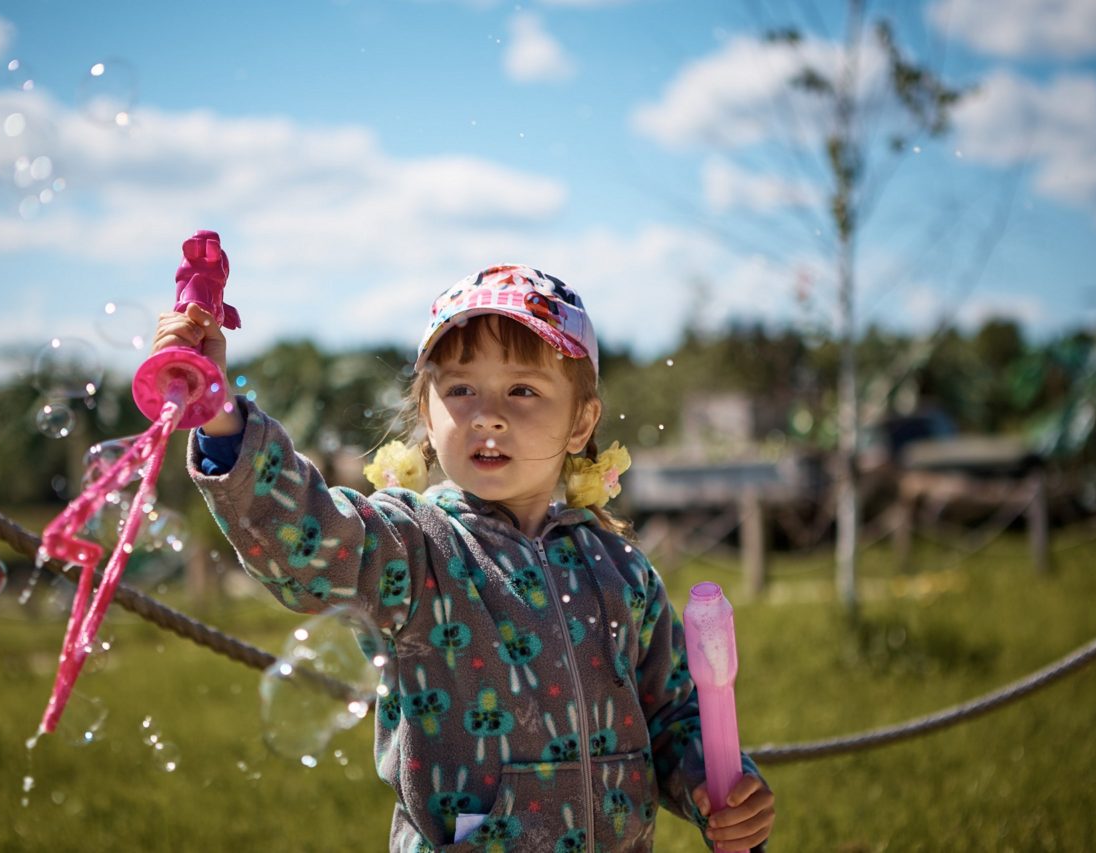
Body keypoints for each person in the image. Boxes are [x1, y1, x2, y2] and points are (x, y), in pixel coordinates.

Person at [153, 264, 776, 852]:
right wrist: (222, 419)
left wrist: (711, 780)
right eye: (461, 389)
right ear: (427, 415)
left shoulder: (622, 571)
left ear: (580, 423)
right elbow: (311, 537)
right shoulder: (413, 545)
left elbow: (668, 713)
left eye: (523, 390)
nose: (490, 416)